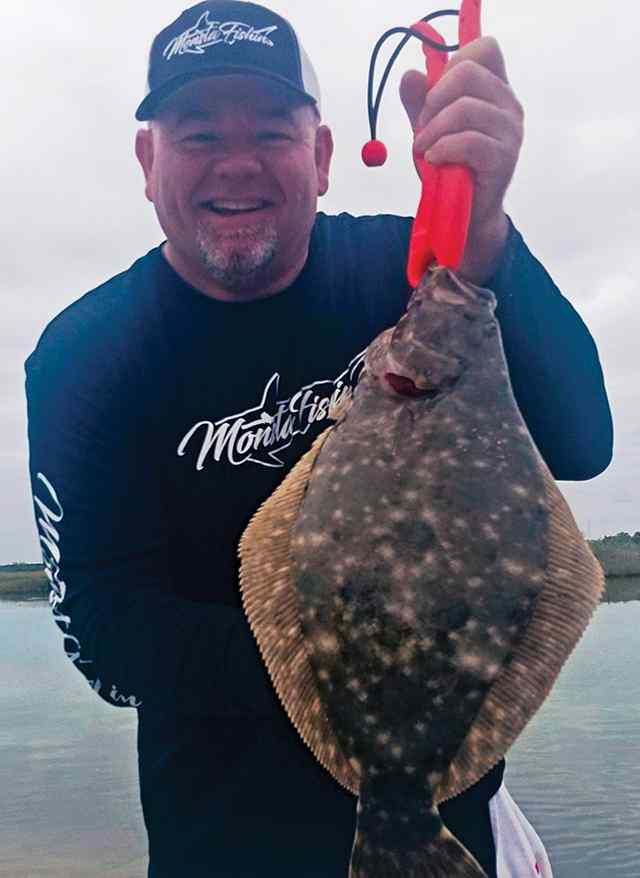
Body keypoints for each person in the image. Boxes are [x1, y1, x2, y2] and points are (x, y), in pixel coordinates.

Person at [25, 2, 613, 877]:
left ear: (325, 157)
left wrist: (487, 232)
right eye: (196, 135)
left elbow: (582, 443)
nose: (237, 163)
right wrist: (345, 668)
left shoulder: (417, 272)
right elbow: (107, 639)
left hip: (458, 832)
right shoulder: (86, 356)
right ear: (148, 163)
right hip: (224, 847)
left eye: (271, 130)